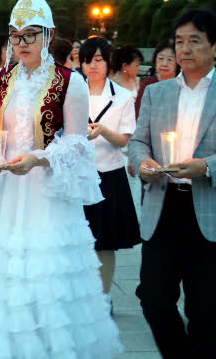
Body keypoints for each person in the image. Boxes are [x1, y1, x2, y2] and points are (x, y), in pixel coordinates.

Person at [0, 0, 122, 359]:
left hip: (48, 191)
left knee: (50, 272)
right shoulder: (0, 78)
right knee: (14, 275)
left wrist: (37, 159)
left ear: (48, 36)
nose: (21, 44)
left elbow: (77, 144)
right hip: (12, 193)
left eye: (30, 35)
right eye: (15, 36)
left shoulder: (69, 82)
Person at [129, 8, 216, 359]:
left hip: (212, 209)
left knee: (206, 313)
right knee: (154, 299)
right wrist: (142, 162)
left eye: (194, 41)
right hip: (163, 206)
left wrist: (206, 166)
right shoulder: (158, 93)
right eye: (179, 41)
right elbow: (138, 141)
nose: (184, 49)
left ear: (215, 47)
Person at [80, 36, 141, 312]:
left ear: (107, 62)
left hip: (108, 175)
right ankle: (78, 295)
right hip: (76, 176)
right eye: (87, 60)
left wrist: (102, 130)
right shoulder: (71, 93)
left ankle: (103, 296)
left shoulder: (123, 97)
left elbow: (125, 140)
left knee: (105, 242)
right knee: (75, 239)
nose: (92, 66)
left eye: (98, 60)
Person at [135, 39, 179, 120]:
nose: (164, 64)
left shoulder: (182, 85)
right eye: (160, 58)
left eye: (170, 59)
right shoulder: (147, 84)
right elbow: (139, 115)